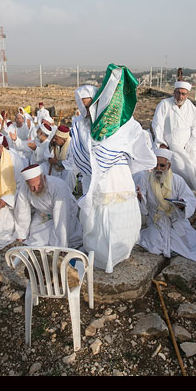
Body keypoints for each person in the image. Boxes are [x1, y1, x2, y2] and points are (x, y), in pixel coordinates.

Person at [66, 64, 157, 273]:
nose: (88, 109)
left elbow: (134, 139)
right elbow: (77, 155)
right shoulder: (79, 126)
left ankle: (121, 253)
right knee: (97, 221)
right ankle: (100, 257)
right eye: (84, 105)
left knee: (119, 215)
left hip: (118, 178)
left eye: (91, 104)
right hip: (94, 182)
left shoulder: (117, 124)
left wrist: (112, 152)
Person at [136, 148, 196, 268]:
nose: (158, 168)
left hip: (176, 221)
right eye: (156, 165)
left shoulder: (177, 180)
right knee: (154, 242)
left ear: (168, 166)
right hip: (157, 222)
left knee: (192, 245)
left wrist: (182, 205)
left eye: (162, 165)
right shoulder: (146, 179)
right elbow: (143, 202)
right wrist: (140, 197)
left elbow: (190, 200)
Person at [151, 77, 196, 191]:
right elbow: (158, 124)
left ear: (187, 94)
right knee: (168, 171)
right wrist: (161, 142)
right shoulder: (164, 104)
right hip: (168, 145)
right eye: (178, 93)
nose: (180, 96)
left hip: (186, 146)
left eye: (183, 94)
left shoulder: (192, 109)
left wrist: (191, 145)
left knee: (193, 169)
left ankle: (186, 191)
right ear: (174, 92)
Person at [13, 164, 83, 249]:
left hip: (66, 214)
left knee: (65, 238)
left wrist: (61, 246)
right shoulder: (24, 188)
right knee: (36, 239)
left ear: (44, 178)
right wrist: (21, 235)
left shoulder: (58, 186)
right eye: (32, 187)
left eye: (38, 185)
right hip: (44, 213)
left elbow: (61, 216)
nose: (36, 189)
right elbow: (22, 211)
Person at [47, 124, 76, 192]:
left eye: (56, 139)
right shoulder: (57, 143)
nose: (54, 140)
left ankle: (66, 192)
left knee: (70, 173)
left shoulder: (72, 145)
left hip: (67, 169)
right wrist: (51, 144)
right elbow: (50, 150)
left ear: (64, 140)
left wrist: (57, 162)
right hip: (57, 167)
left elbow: (71, 164)